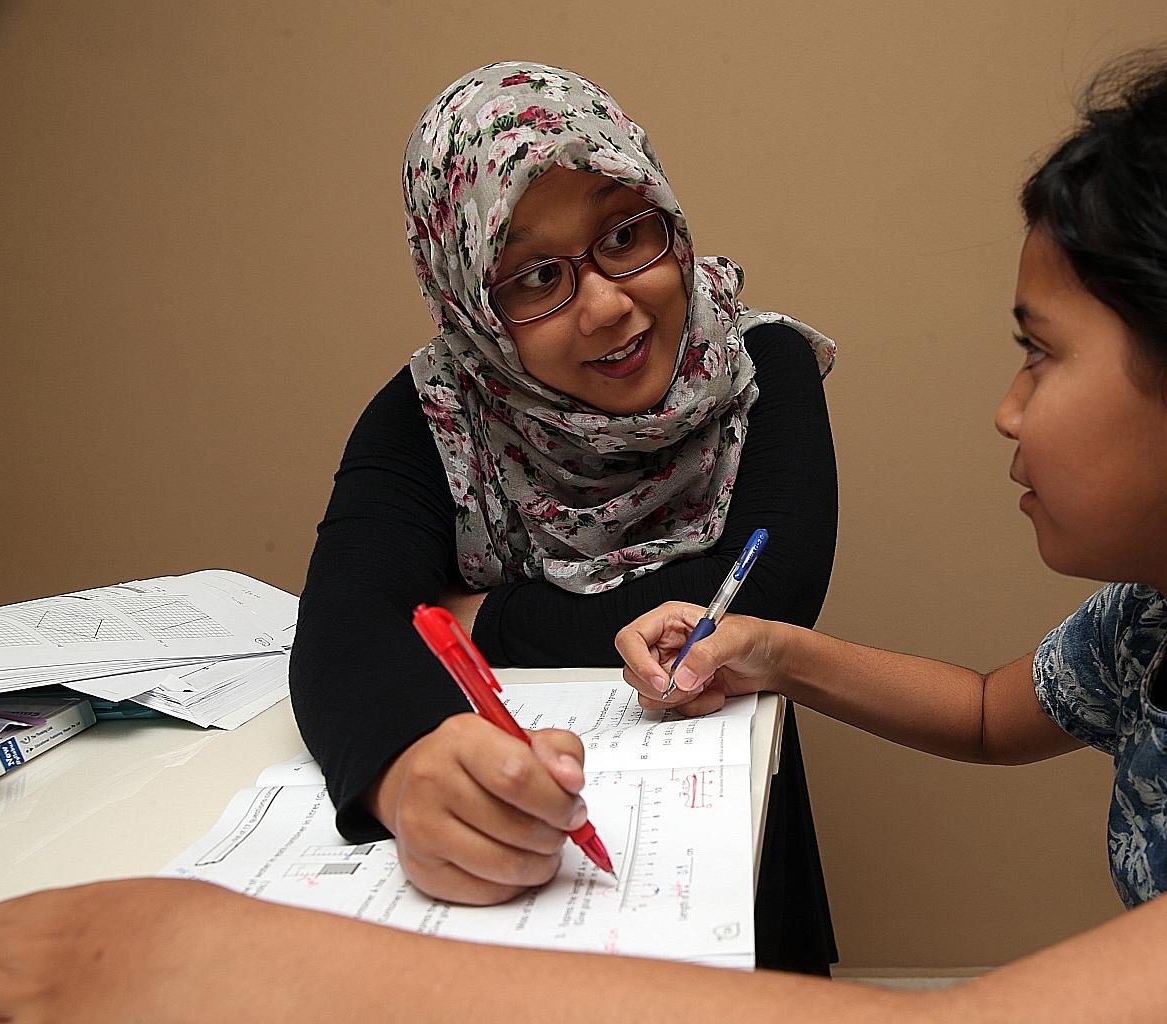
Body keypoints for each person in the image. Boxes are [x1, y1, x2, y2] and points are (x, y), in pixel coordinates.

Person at [0, 41, 1167, 1024]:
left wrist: (231, 966)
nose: (1004, 410)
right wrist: (776, 650)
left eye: (1037, 355)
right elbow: (995, 711)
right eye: (534, 278)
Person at [284, 62, 839, 972]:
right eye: (537, 278)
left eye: (626, 234)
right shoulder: (435, 414)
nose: (609, 304)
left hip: (725, 832)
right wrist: (403, 771)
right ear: (471, 302)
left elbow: (768, 594)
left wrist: (481, 620)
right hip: (507, 883)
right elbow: (343, 628)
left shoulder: (755, 362)